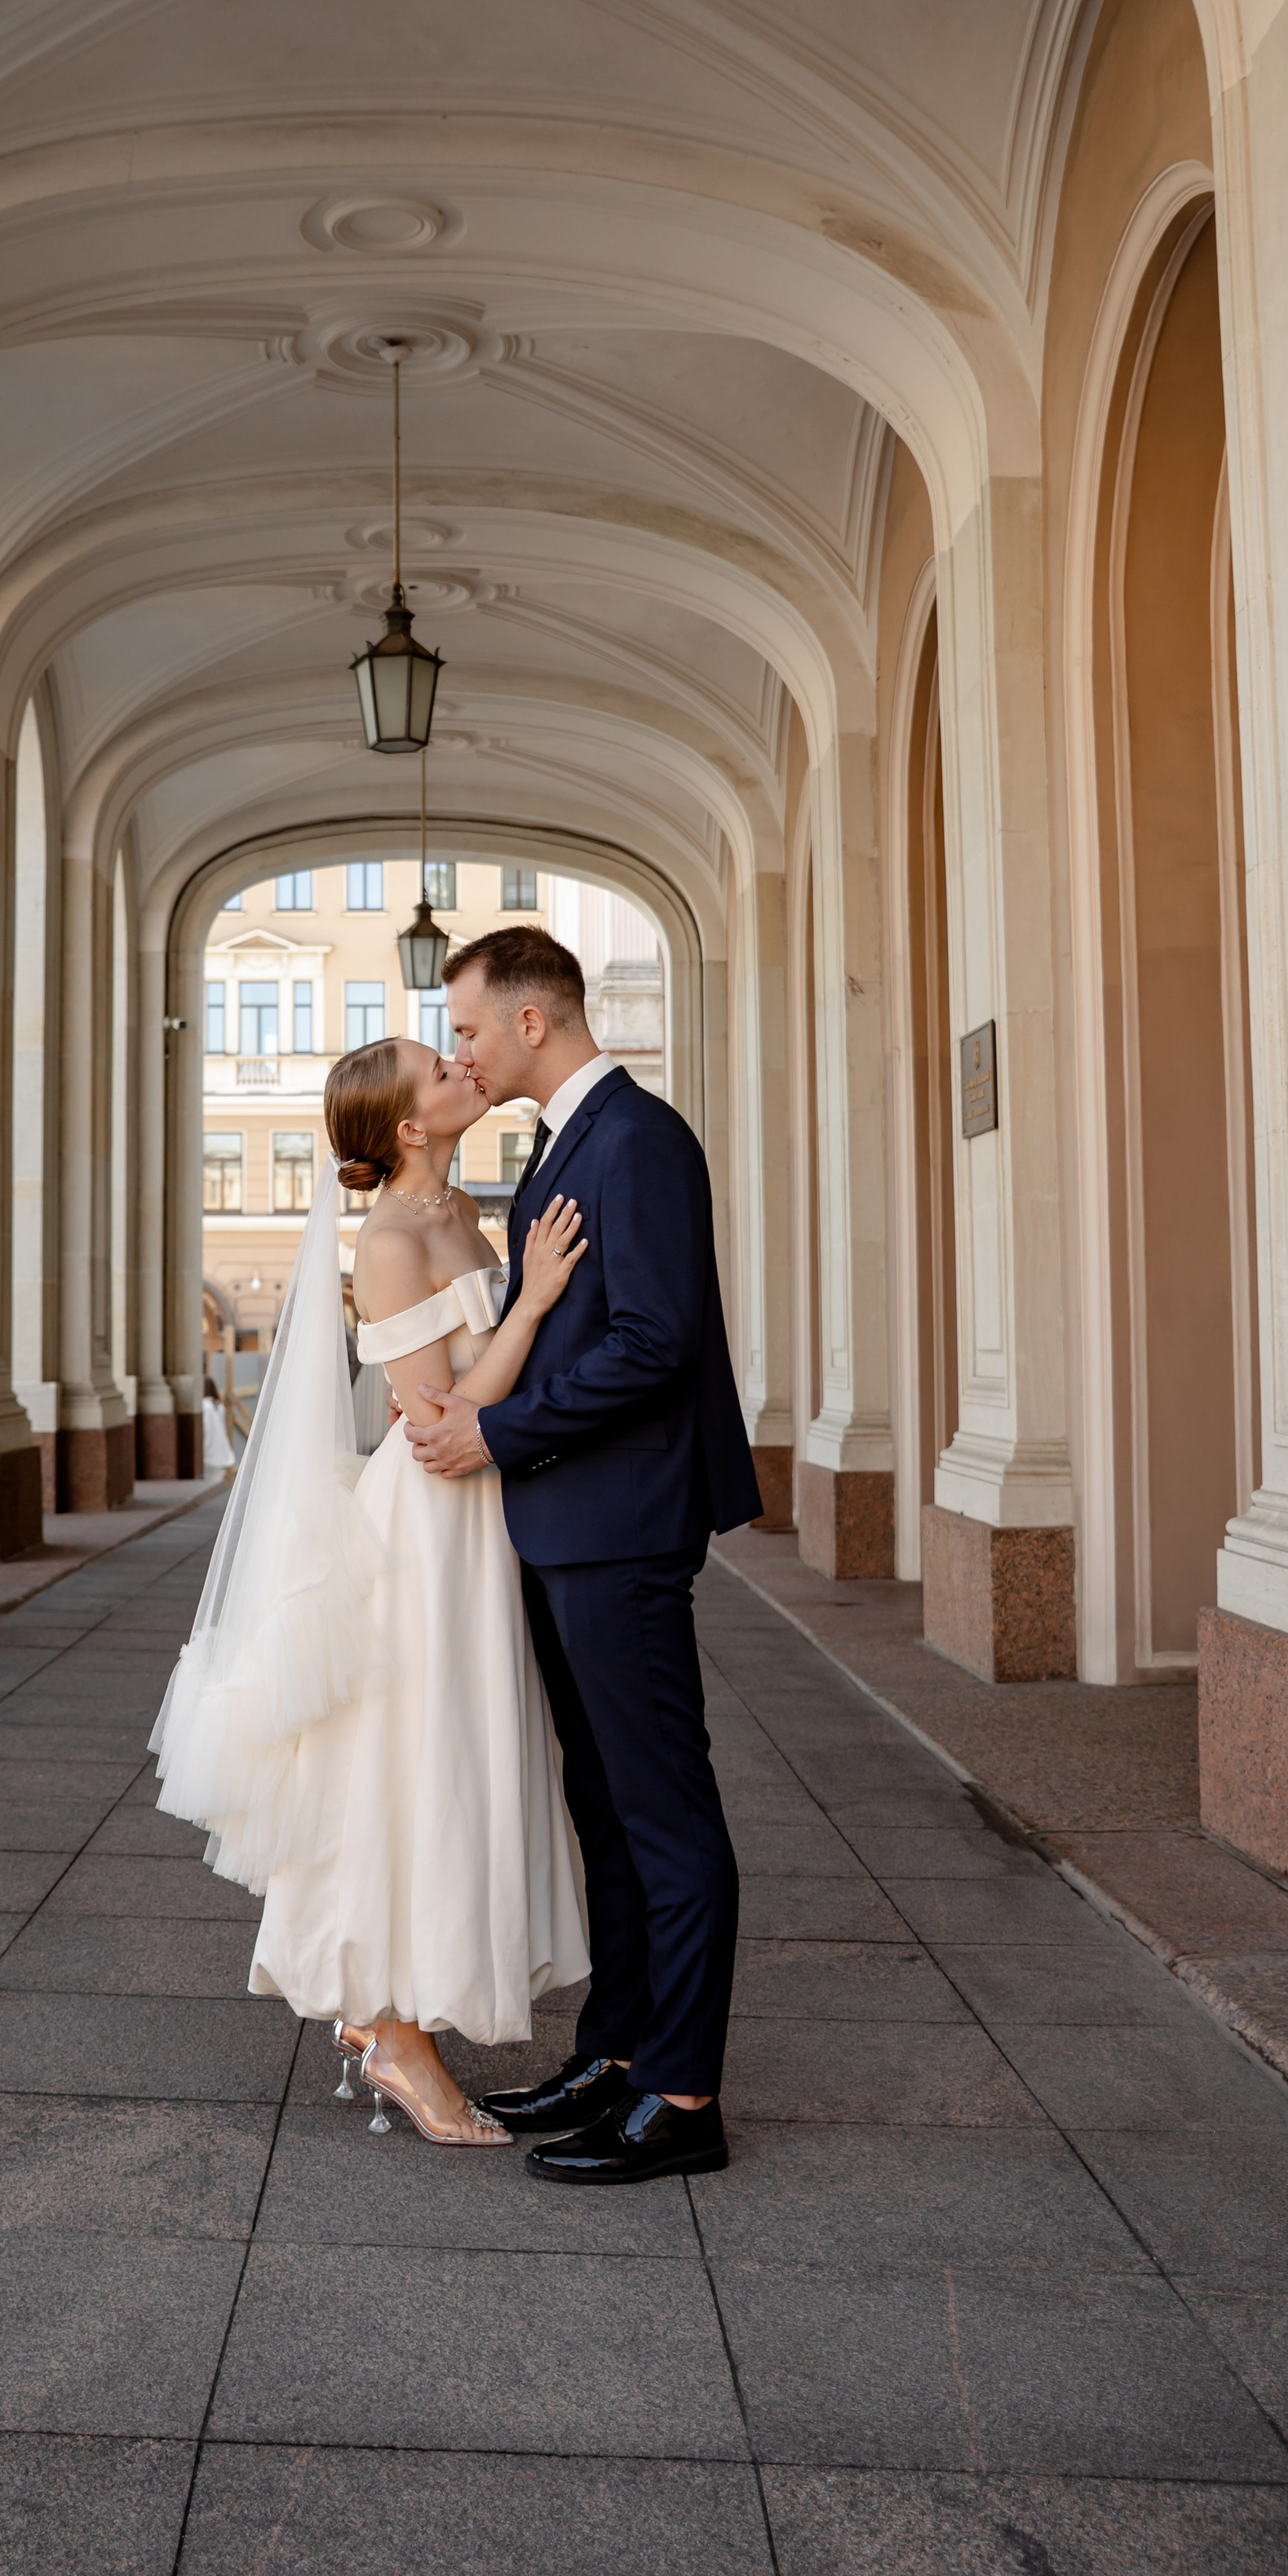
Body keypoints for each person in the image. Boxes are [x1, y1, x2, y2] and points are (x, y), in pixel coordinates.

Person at [152, 1031, 591, 2144]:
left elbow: (456, 1395)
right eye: (435, 1068)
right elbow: (440, 1415)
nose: (458, 1063)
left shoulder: (460, 1214)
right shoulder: (393, 1237)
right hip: (433, 1518)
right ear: (406, 1126)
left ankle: (397, 2020)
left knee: (457, 1751)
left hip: (483, 1511)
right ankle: (391, 2033)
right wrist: (533, 1303)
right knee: (413, 1756)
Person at [408, 925, 762, 2186]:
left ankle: (682, 2095)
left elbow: (658, 1341)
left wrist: (498, 1431)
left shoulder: (643, 1140)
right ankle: (615, 2056)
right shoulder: (566, 1141)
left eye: (468, 1028)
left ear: (533, 1022)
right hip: (567, 1527)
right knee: (606, 1814)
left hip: (620, 1530)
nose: (462, 1050)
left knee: (666, 1817)